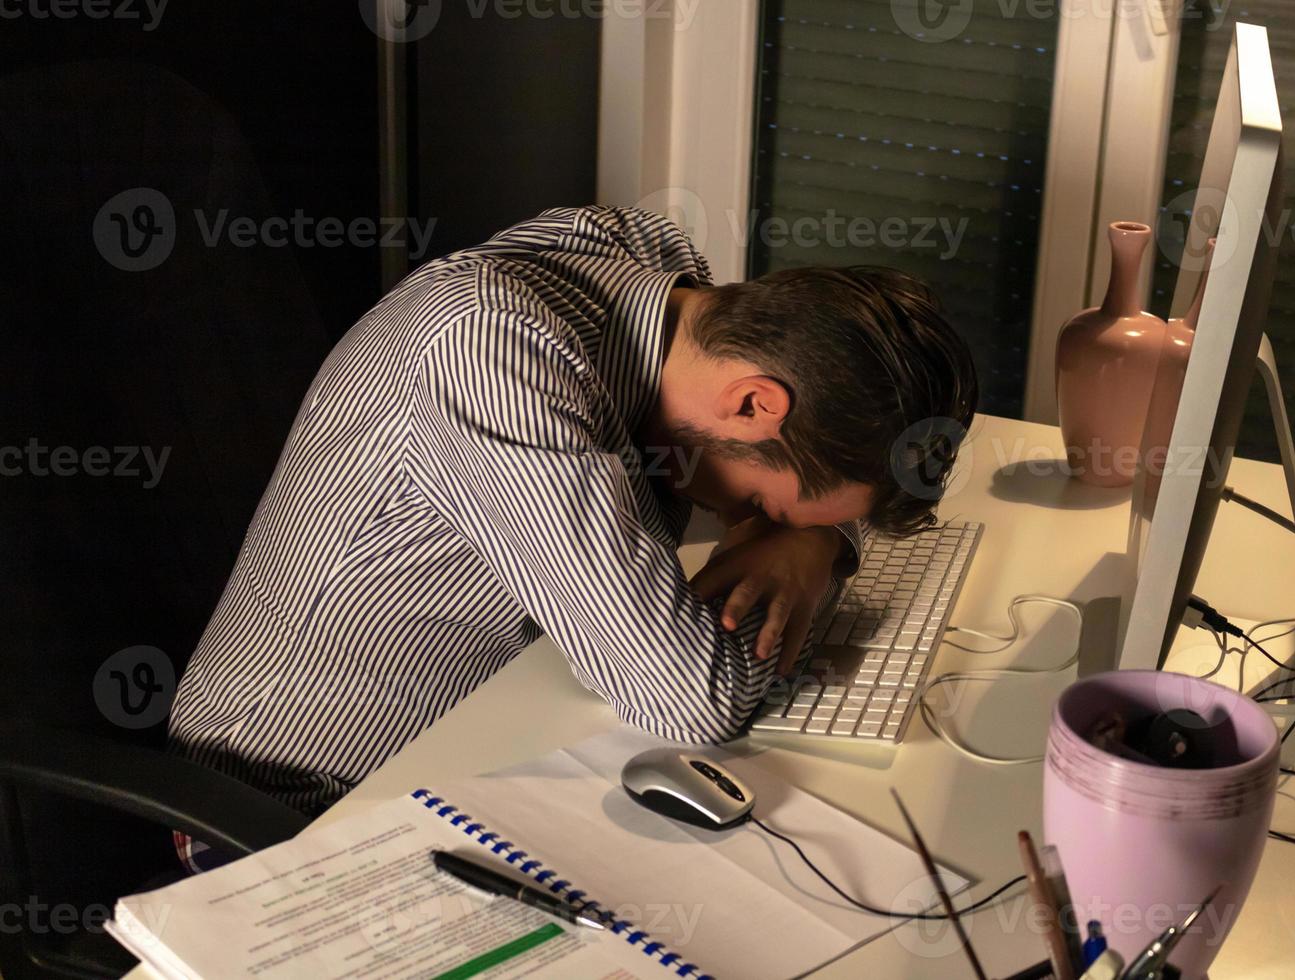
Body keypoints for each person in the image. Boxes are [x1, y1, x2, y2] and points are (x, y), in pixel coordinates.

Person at [167, 206, 978, 837]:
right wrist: (807, 545)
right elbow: (692, 699)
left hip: (483, 728)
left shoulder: (657, 279)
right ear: (753, 402)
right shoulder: (486, 351)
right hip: (293, 801)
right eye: (763, 508)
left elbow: (819, 490)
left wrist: (814, 534)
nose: (750, 525)